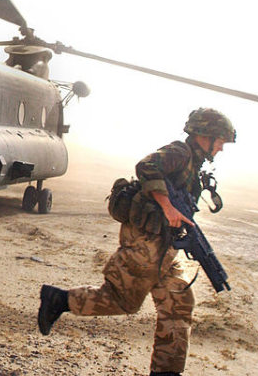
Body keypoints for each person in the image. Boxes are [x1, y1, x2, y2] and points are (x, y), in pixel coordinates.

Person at [37, 108, 237, 376]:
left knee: (178, 305)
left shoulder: (193, 164)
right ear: (205, 135)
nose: (221, 148)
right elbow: (146, 165)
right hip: (146, 244)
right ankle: (58, 300)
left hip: (163, 249)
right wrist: (167, 207)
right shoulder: (179, 152)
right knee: (121, 301)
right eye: (220, 141)